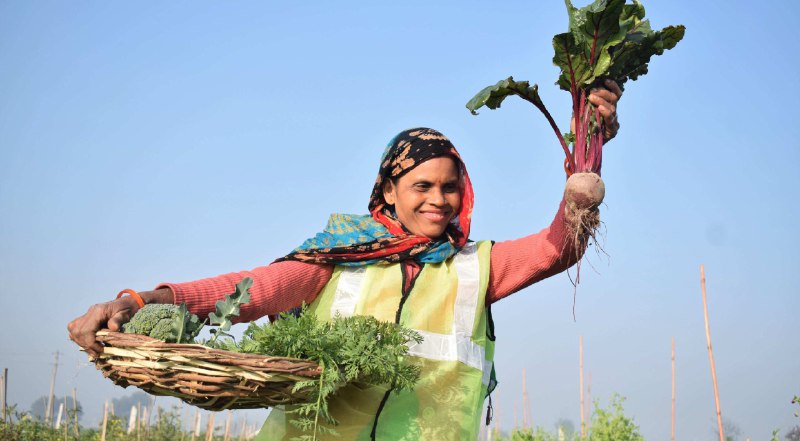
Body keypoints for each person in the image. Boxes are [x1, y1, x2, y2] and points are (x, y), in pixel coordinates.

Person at [69, 81, 622, 440]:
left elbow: (558, 247)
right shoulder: (339, 255)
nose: (438, 199)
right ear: (388, 191)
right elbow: (248, 290)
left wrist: (580, 188)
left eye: (451, 187)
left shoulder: (476, 265)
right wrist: (139, 300)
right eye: (421, 185)